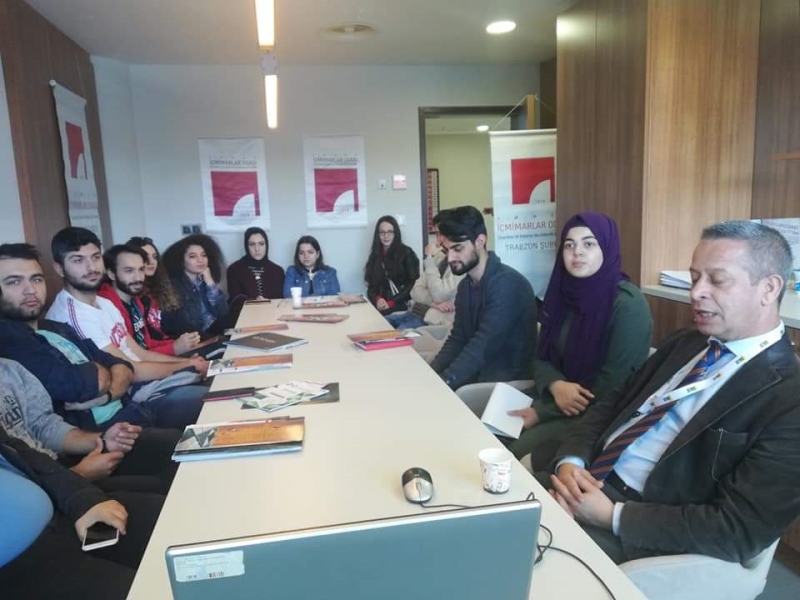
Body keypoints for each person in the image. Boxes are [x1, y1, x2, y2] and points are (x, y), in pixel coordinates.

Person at [546, 220, 800, 565]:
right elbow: (612, 404)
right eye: (695, 278)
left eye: (717, 280)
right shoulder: (687, 342)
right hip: (585, 479)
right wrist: (572, 462)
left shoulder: (789, 396)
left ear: (768, 289)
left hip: (641, 529)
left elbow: (740, 529)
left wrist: (612, 516)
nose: (696, 293)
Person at [506, 213, 653, 463]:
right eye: (569, 245)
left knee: (514, 451)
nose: (577, 252)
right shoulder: (562, 295)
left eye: (589, 244)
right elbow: (540, 357)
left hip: (596, 415)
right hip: (553, 398)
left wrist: (542, 412)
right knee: (489, 430)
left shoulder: (627, 305)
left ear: (607, 248)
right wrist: (556, 385)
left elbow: (614, 386)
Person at [41, 231, 207, 430]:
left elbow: (139, 352)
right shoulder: (72, 316)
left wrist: (188, 363)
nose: (91, 267)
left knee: (220, 384)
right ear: (59, 268)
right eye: (78, 260)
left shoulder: (103, 303)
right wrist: (186, 365)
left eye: (95, 257)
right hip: (132, 399)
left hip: (148, 382)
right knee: (213, 401)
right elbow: (130, 368)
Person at [0, 424, 163, 599]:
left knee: (168, 520)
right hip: (25, 572)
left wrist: (83, 499)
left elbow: (19, 451)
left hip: (63, 512)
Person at [0, 357, 178, 495]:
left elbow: (44, 426)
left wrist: (101, 440)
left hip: (59, 468)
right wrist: (78, 474)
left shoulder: (10, 369)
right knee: (163, 499)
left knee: (172, 446)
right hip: (38, 499)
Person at [430, 206, 538, 390]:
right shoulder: (466, 286)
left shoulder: (508, 284)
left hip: (507, 384)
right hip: (480, 375)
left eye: (457, 248)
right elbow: (458, 339)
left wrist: (443, 382)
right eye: (447, 251)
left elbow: (483, 346)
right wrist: (431, 374)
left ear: (480, 241)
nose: (450, 258)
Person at [99, 244, 198, 356]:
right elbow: (130, 355)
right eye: (129, 271)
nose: (138, 277)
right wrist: (174, 348)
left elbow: (146, 343)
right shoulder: (106, 305)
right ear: (112, 274)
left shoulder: (135, 300)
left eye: (141, 270)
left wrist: (178, 344)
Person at [385, 210, 463, 331]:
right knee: (378, 324)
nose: (439, 239)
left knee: (395, 336)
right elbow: (415, 290)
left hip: (431, 321)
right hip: (415, 311)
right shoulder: (439, 257)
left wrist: (429, 258)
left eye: (442, 234)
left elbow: (439, 294)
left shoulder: (461, 263)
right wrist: (433, 302)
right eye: (437, 234)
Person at [127, 236, 200, 354]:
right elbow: (143, 346)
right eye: (145, 257)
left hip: (172, 345)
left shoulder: (160, 287)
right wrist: (175, 346)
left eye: (154, 257)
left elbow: (181, 325)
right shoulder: (133, 296)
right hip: (159, 353)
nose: (151, 262)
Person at [161, 233, 236, 338]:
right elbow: (189, 326)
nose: (200, 260)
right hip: (196, 338)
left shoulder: (203, 280)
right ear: (181, 261)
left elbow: (222, 312)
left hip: (213, 331)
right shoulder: (174, 287)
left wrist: (210, 283)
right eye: (193, 256)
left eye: (203, 255)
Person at [364, 215, 420, 315]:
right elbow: (371, 285)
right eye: (382, 232)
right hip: (381, 308)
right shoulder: (375, 256)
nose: (386, 236)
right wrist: (377, 299)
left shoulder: (407, 253)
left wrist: (391, 302)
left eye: (390, 232)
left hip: (401, 306)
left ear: (396, 233)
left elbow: (413, 283)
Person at [226, 227, 284, 301]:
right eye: (252, 244)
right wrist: (254, 301)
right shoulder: (234, 270)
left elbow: (280, 301)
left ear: (266, 245)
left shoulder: (277, 271)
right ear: (246, 246)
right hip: (245, 309)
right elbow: (235, 300)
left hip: (272, 309)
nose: (257, 249)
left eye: (261, 244)